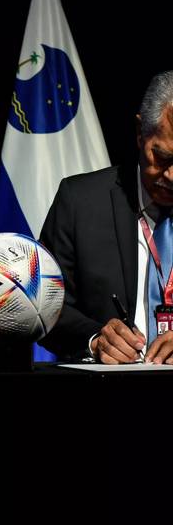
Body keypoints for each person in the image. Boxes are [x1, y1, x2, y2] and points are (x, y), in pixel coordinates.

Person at [40, 71, 173, 364]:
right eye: (162, 158)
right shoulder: (80, 202)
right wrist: (94, 338)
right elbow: (43, 303)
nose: (172, 176)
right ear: (140, 133)